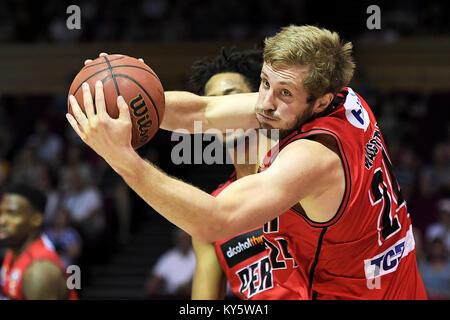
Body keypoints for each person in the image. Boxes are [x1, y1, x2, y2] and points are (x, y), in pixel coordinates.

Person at [67, 25, 427, 299]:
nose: (264, 103)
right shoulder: (344, 100)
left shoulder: (315, 156)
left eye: (284, 92)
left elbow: (215, 221)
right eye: (264, 83)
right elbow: (204, 112)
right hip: (401, 285)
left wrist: (123, 159)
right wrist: (127, 95)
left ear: (320, 102)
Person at [189, 48, 308, 300]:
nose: (223, 112)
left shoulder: (301, 171)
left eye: (231, 99)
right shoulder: (212, 210)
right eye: (213, 104)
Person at [0, 183, 78, 299]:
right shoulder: (14, 251)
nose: (2, 221)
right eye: (1, 213)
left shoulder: (39, 273)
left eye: (12, 214)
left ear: (36, 219)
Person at [144, 228, 196, 299]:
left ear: (190, 240)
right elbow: (155, 277)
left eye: (185, 239)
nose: (183, 242)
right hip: (171, 295)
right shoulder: (169, 256)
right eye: (181, 239)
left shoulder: (197, 257)